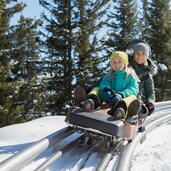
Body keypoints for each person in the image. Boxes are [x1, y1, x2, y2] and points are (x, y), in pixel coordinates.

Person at [74, 51, 141, 119]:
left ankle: (121, 111)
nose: (117, 64)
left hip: (122, 99)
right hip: (109, 98)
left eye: (120, 61)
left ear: (125, 63)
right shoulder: (109, 75)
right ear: (111, 64)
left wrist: (121, 95)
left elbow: (133, 89)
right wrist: (106, 90)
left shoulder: (131, 76)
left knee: (132, 97)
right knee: (96, 89)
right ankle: (91, 101)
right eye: (114, 62)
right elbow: (104, 83)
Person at [128, 42, 158, 116]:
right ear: (133, 54)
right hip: (121, 94)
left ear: (147, 56)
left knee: (138, 114)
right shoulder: (126, 65)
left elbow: (150, 91)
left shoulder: (147, 74)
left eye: (143, 54)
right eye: (137, 53)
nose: (140, 56)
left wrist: (150, 102)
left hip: (135, 101)